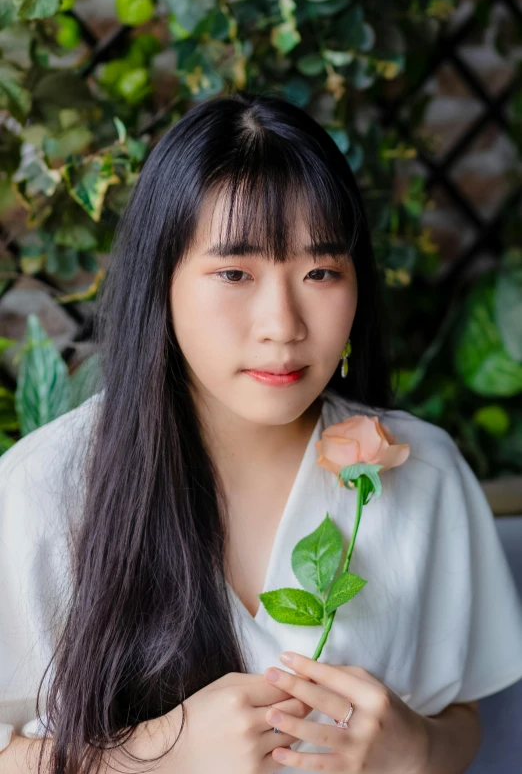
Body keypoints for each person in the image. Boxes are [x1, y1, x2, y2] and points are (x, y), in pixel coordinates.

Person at [1, 90, 522, 774]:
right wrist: (159, 756)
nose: (283, 323)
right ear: (162, 284)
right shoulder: (44, 485)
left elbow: (460, 717)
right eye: (234, 272)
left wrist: (414, 749)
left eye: (320, 271)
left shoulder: (419, 469)